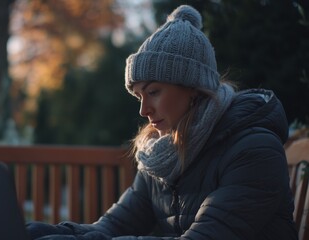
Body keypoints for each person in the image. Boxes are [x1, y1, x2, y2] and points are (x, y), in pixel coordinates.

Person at [27, 5, 298, 240]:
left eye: (154, 92)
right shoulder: (161, 154)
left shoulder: (253, 150)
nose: (144, 110)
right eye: (139, 96)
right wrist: (33, 232)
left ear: (193, 88)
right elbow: (113, 226)